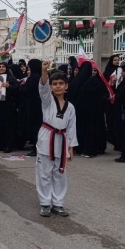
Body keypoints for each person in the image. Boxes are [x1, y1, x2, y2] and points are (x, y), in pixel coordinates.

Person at [35, 61, 77, 217]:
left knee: (60, 174)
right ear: (51, 87)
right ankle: (45, 203)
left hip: (62, 141)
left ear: (66, 86)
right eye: (55, 84)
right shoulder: (47, 101)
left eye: (61, 83)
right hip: (46, 139)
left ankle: (58, 203)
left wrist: (71, 147)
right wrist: (44, 71)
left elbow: (71, 128)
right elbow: (43, 88)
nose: (58, 86)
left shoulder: (70, 107)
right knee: (44, 174)